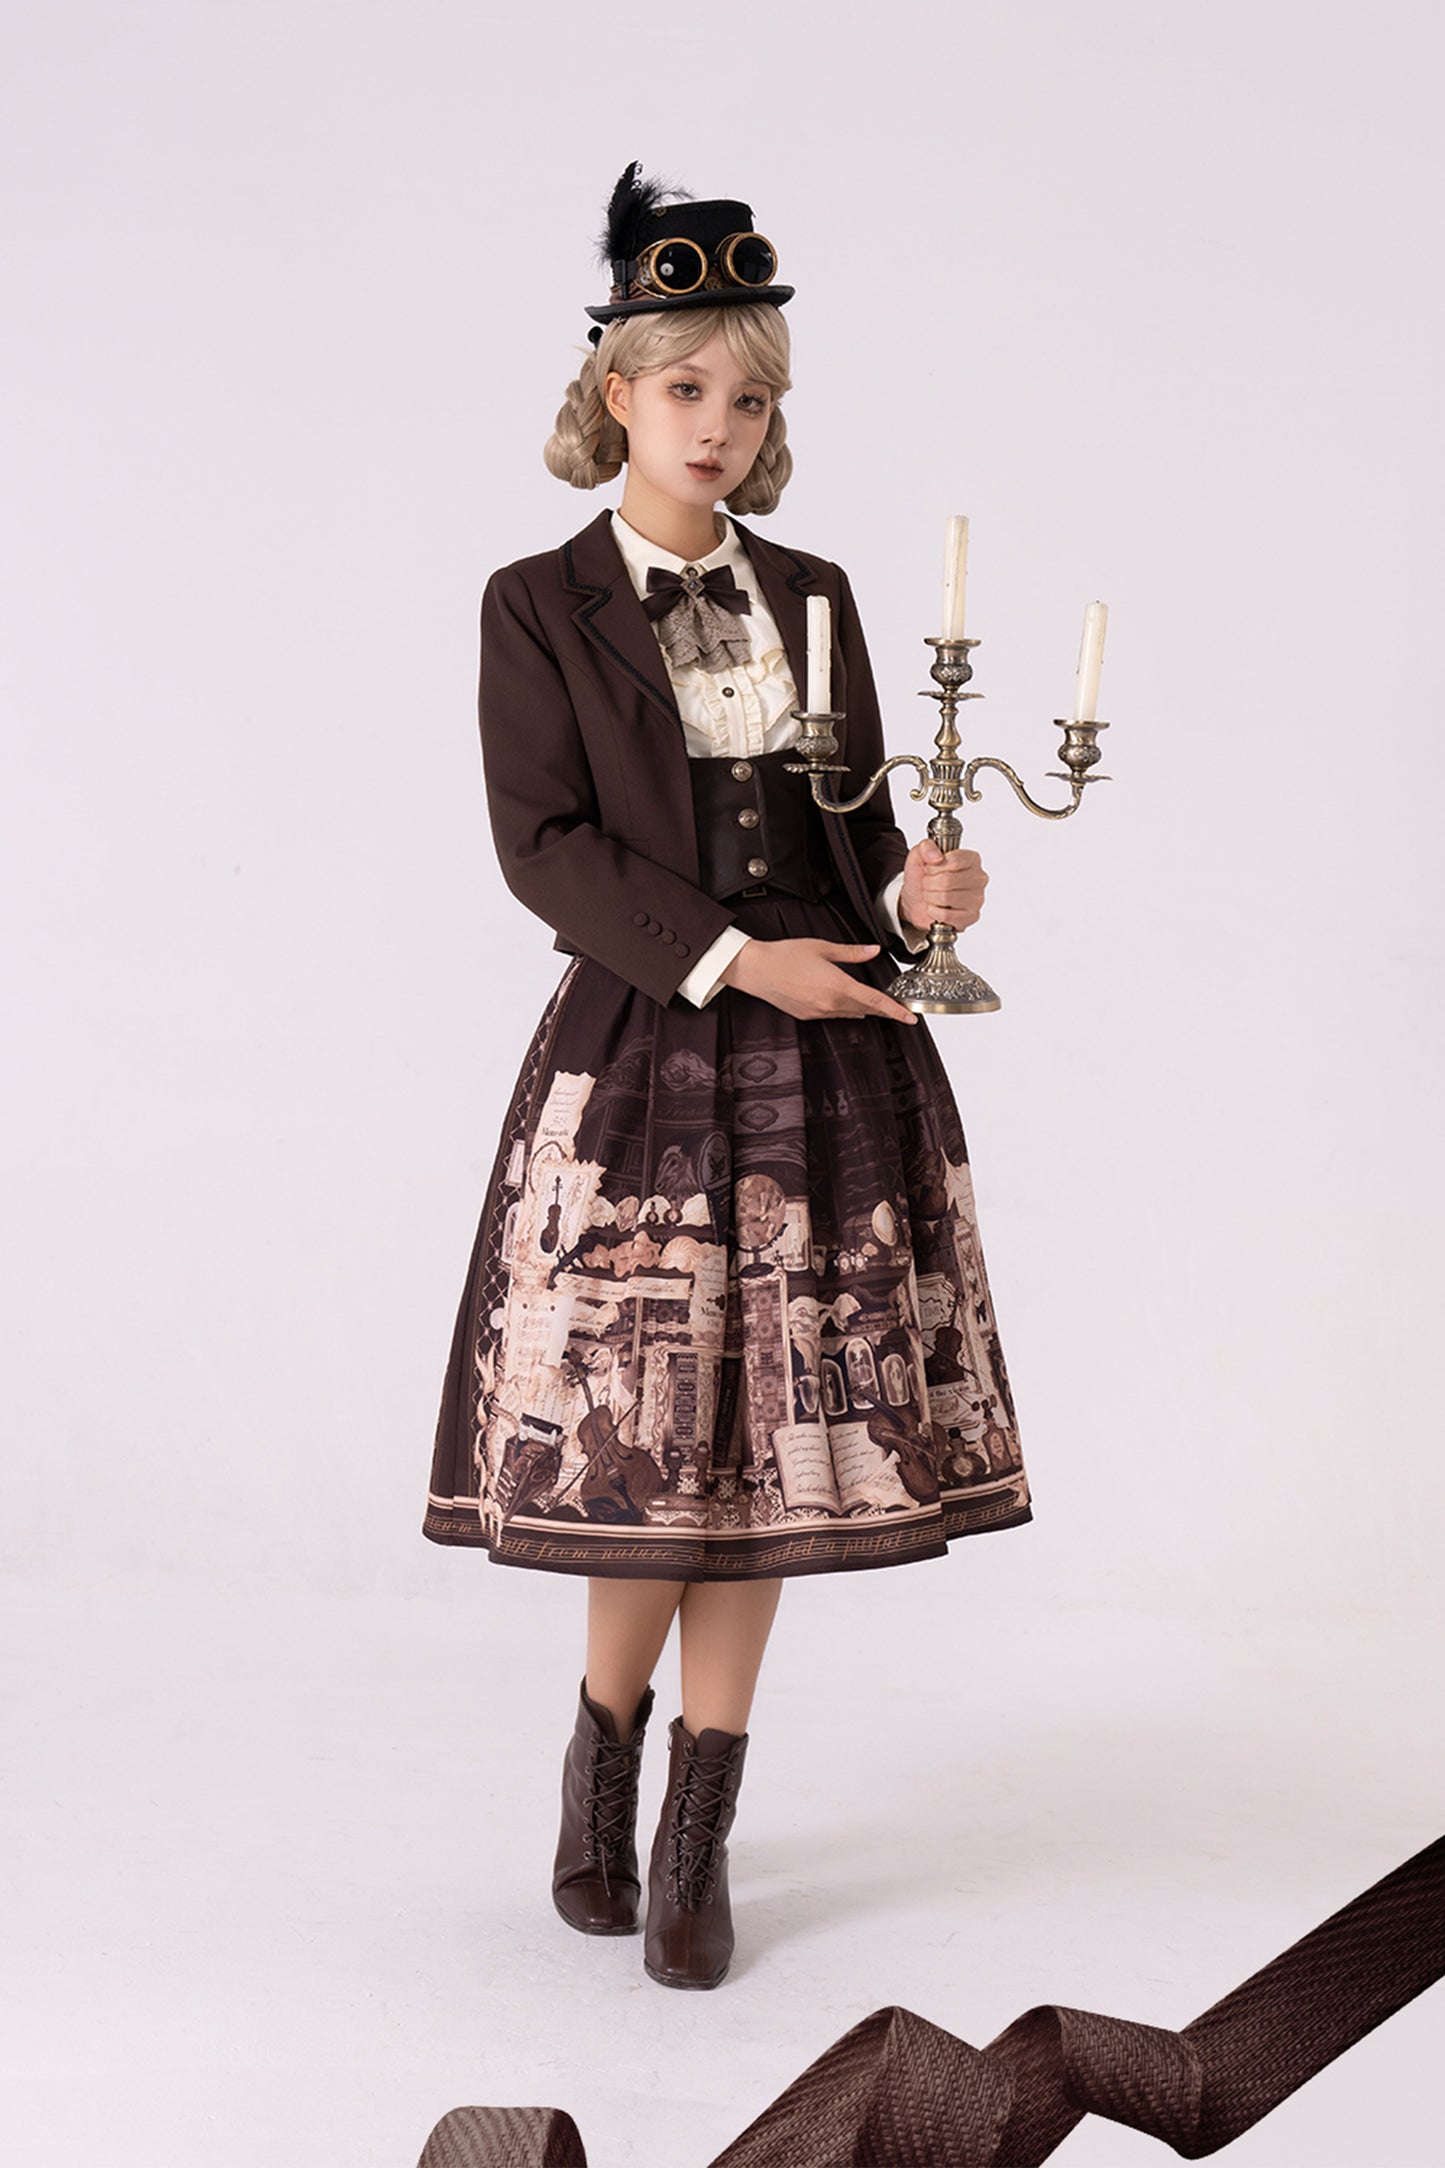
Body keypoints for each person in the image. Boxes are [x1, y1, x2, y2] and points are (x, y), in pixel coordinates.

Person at [424, 163, 1031, 1990]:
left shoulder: (818, 595)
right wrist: (730, 956)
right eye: (685, 387)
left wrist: (916, 900)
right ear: (615, 390)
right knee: (648, 1446)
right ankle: (599, 1762)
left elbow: (859, 833)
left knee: (770, 1452)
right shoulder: (536, 603)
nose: (717, 425)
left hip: (829, 1051)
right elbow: (542, 846)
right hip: (645, 1042)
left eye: (748, 398)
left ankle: (697, 1828)